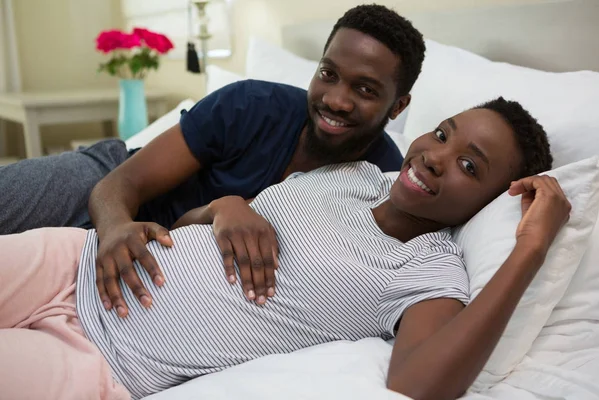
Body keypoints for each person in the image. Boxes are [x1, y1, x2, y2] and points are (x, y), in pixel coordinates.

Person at [0, 98, 569, 400]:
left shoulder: (429, 275)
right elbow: (198, 225)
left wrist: (530, 250)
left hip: (106, 362)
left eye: (470, 166)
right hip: (76, 263)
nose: (436, 156)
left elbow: (416, 386)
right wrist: (225, 207)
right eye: (442, 134)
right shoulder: (352, 172)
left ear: (493, 199)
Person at [0, 4, 425, 316]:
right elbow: (118, 184)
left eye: (365, 90)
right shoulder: (250, 104)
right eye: (328, 74)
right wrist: (113, 227)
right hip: (103, 186)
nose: (335, 99)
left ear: (397, 106)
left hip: (159, 254)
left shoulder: (380, 184)